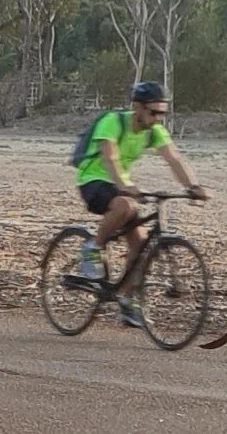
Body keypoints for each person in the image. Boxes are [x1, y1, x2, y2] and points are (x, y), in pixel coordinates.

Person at [75, 80, 210, 328]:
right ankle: (93, 247)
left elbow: (174, 159)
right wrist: (126, 186)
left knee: (141, 247)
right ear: (137, 107)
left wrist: (193, 187)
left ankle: (127, 301)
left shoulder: (154, 131)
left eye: (162, 113)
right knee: (126, 206)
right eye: (153, 112)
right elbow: (110, 157)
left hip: (121, 185)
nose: (158, 118)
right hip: (94, 179)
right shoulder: (113, 122)